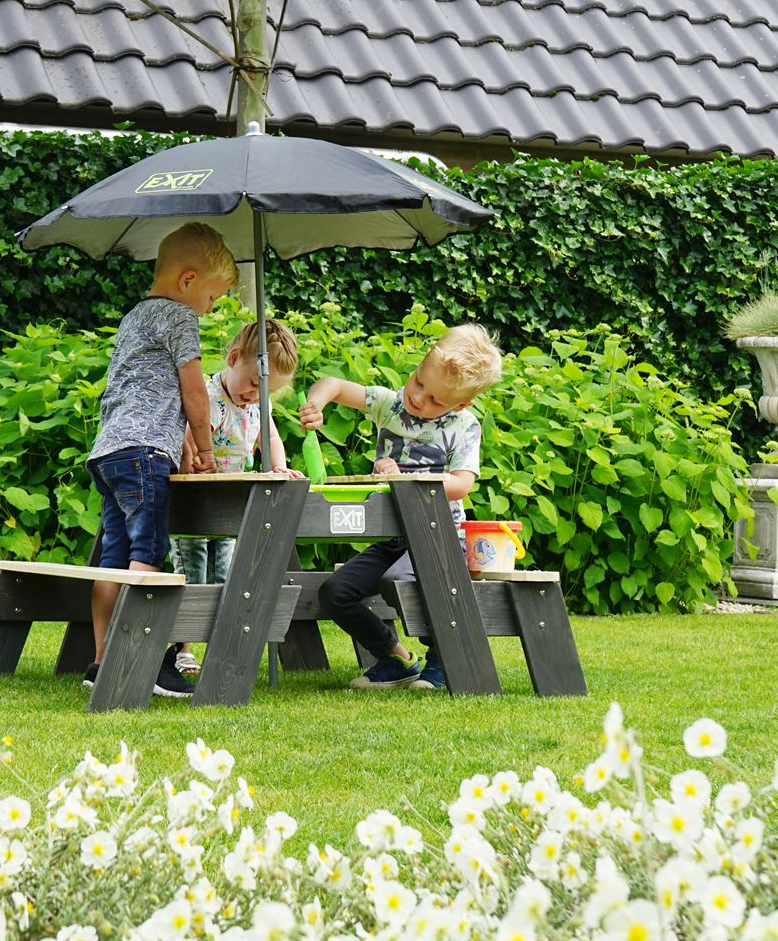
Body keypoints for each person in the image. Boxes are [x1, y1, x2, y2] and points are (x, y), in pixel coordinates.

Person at [297, 324, 504, 692]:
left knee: (405, 582)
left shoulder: (464, 425)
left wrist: (409, 478)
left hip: (438, 538)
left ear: (461, 403)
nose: (419, 398)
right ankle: (396, 658)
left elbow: (461, 484)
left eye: (435, 400)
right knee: (335, 592)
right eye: (418, 382)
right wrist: (317, 404)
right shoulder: (391, 405)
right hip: (395, 540)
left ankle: (442, 659)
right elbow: (335, 384)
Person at [84, 222, 237, 698]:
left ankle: (102, 660)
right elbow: (193, 392)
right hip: (145, 455)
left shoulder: (134, 318)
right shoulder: (179, 318)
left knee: (113, 561)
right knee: (148, 556)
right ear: (188, 281)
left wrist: (182, 445)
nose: (210, 311)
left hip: (110, 452)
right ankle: (145, 663)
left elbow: (146, 393)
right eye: (213, 299)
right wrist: (206, 449)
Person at [170, 317, 302, 677]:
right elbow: (189, 437)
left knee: (225, 573)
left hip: (230, 509)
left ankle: (219, 640)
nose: (255, 396)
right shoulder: (210, 400)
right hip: (195, 504)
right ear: (233, 359)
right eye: (252, 385)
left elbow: (271, 439)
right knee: (193, 570)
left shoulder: (257, 406)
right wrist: (193, 460)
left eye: (267, 392)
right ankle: (181, 647)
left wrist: (278, 467)